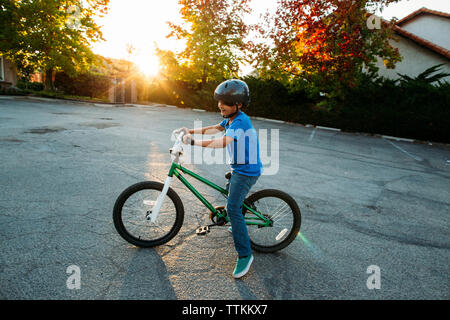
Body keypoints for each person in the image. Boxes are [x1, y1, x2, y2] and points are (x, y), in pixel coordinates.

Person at [175, 79, 263, 279]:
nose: (220, 105)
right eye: (219, 101)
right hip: (238, 168)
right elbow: (215, 128)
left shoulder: (241, 121)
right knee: (231, 196)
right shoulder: (231, 118)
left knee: (232, 209)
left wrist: (193, 142)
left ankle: (245, 254)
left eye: (225, 102)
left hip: (246, 171)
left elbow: (222, 142)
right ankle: (239, 216)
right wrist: (189, 130)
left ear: (238, 105)